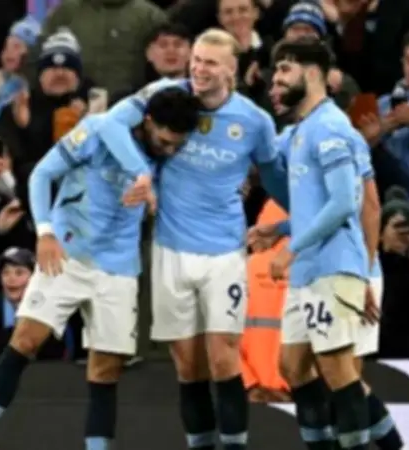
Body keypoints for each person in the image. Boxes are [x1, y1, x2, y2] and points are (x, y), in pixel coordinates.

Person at [0, 86, 202, 450]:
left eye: (176, 146)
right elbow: (41, 175)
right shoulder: (97, 132)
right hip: (67, 254)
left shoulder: (165, 156)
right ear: (148, 121)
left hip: (119, 268)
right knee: (25, 341)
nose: (168, 151)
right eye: (165, 141)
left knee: (106, 369)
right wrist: (44, 231)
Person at [96, 28, 290, 450]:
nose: (199, 70)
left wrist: (296, 219)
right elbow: (110, 123)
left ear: (232, 70)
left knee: (223, 355)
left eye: (211, 63)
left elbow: (274, 176)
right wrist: (142, 173)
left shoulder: (255, 121)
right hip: (170, 248)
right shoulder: (165, 94)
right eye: (196, 60)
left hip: (224, 251)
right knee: (188, 365)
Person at [252, 38, 383, 450]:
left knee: (338, 369)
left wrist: (290, 248)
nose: (276, 81)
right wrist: (281, 228)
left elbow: (345, 202)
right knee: (292, 367)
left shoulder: (329, 127)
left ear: (311, 73)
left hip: (332, 264)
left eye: (284, 70)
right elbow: (316, 205)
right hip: (308, 268)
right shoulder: (301, 131)